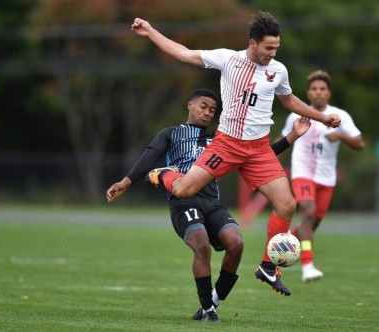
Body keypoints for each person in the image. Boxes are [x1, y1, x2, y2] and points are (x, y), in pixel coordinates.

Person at [131, 10, 341, 296]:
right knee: (182, 189)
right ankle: (163, 174)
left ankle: (268, 267)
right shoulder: (228, 59)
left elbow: (288, 99)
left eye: (276, 48)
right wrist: (151, 32)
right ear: (252, 43)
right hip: (227, 144)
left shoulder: (278, 70)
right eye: (268, 48)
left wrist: (321, 118)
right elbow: (184, 54)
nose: (273, 53)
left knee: (287, 205)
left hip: (258, 150)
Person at [106, 89, 311, 322]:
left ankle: (211, 304)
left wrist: (292, 136)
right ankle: (208, 311)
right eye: (203, 106)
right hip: (183, 202)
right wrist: (125, 182)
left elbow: (259, 155)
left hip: (211, 201)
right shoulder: (170, 134)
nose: (207, 113)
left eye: (212, 110)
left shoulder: (220, 140)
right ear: (190, 105)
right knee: (202, 246)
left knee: (237, 244)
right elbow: (147, 159)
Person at [280, 70, 365, 282]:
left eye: (322, 89)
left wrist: (341, 135)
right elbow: (283, 140)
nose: (318, 93)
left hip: (326, 179)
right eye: (314, 89)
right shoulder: (296, 114)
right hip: (302, 174)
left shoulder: (340, 116)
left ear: (328, 93)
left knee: (311, 222)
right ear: (308, 93)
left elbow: (360, 143)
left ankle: (286, 240)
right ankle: (307, 266)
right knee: (308, 211)